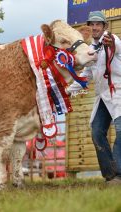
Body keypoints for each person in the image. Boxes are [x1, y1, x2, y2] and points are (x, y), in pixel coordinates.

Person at [67, 11, 121, 184]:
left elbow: (115, 45)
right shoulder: (90, 50)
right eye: (92, 24)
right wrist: (66, 91)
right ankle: (110, 175)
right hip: (103, 99)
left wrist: (111, 41)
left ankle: (119, 174)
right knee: (97, 133)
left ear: (105, 27)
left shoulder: (112, 40)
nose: (95, 27)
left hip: (119, 94)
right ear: (89, 27)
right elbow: (85, 76)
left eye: (99, 24)